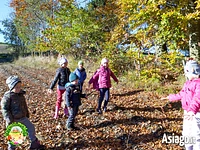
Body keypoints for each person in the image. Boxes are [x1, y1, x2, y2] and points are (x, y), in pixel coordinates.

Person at [161, 59, 200, 150]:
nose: (186, 74)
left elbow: (197, 98)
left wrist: (192, 110)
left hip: (196, 114)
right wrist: (170, 97)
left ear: (194, 71)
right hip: (187, 113)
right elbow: (181, 94)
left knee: (196, 135)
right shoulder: (187, 83)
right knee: (187, 134)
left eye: (187, 72)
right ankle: (188, 148)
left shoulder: (198, 84)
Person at [1, 76, 45, 150]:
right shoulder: (8, 97)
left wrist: (27, 113)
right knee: (14, 136)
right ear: (11, 87)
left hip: (23, 117)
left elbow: (24, 105)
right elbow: (4, 109)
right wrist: (9, 119)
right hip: (13, 120)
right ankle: (11, 148)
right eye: (16, 87)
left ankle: (34, 144)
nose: (18, 89)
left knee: (31, 128)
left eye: (19, 87)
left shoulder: (21, 95)